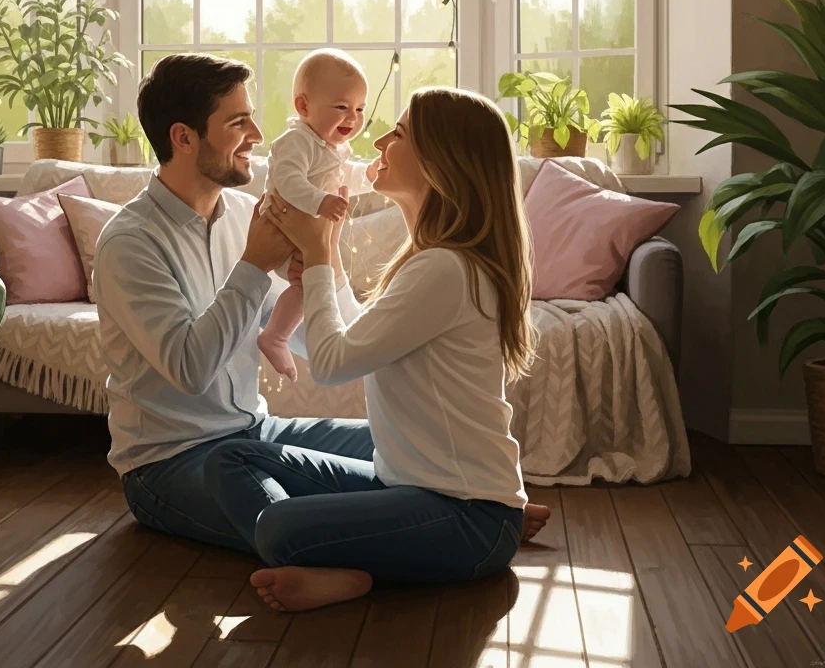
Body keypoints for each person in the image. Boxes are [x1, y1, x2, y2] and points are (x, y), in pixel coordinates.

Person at [202, 86, 548, 612]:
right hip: (410, 485)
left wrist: (318, 257)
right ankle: (369, 553)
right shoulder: (432, 261)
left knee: (274, 527)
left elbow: (338, 364)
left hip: (465, 512)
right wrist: (325, 263)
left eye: (401, 133)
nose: (381, 138)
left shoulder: (446, 269)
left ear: (442, 162)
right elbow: (349, 341)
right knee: (231, 458)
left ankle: (357, 572)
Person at [91, 52, 376, 553]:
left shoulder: (247, 211)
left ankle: (471, 502)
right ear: (184, 137)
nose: (258, 136)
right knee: (287, 512)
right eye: (238, 121)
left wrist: (320, 259)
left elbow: (320, 341)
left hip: (254, 433)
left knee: (397, 443)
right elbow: (190, 368)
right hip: (169, 464)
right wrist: (253, 264)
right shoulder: (129, 243)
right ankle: (429, 521)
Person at [257, 49, 377, 382]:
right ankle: (276, 336)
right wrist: (320, 201)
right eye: (341, 107)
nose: (352, 117)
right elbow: (288, 180)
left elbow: (342, 178)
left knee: (307, 286)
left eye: (360, 108)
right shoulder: (296, 141)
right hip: (282, 232)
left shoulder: (334, 149)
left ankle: (277, 335)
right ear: (303, 106)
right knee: (306, 284)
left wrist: (367, 175)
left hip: (304, 235)